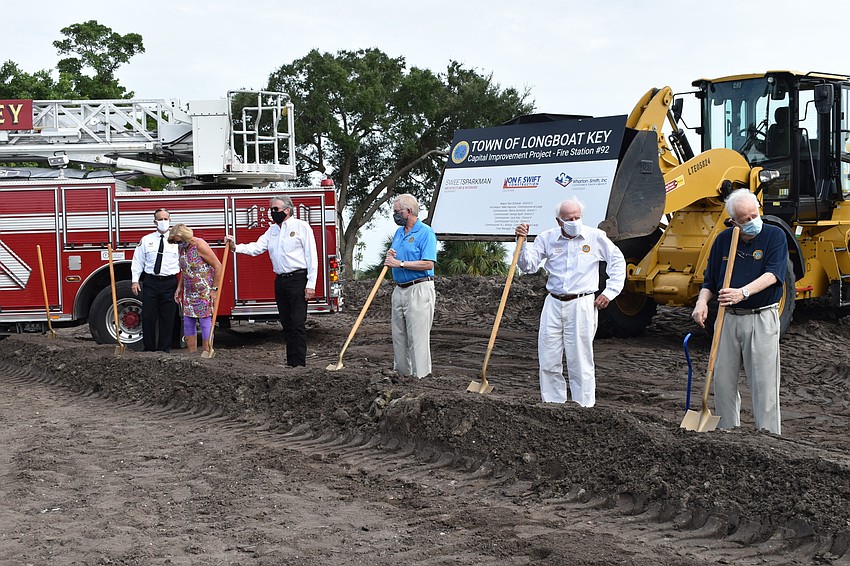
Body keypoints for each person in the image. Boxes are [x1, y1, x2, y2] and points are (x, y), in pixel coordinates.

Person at [692, 188, 787, 434]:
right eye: (745, 220)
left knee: (764, 385)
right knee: (722, 381)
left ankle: (769, 438)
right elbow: (709, 281)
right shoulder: (723, 240)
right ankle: (727, 434)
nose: (752, 222)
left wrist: (742, 292)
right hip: (727, 319)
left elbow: (774, 274)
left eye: (754, 215)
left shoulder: (774, 236)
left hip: (761, 317)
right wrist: (701, 303)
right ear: (733, 221)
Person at [515, 198, 626, 406]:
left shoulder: (595, 237)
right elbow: (528, 266)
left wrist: (610, 292)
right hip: (553, 302)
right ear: (559, 221)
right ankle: (552, 404)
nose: (574, 221)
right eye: (569, 219)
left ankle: (583, 406)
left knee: (580, 359)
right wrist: (521, 243)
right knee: (548, 356)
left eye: (577, 217)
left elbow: (617, 261)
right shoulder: (547, 238)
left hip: (582, 303)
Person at [225, 196, 317, 367]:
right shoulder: (272, 230)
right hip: (280, 280)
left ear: (287, 210)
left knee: (297, 323)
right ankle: (292, 362)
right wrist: (235, 247)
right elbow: (256, 247)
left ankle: (300, 363)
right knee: (286, 323)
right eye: (271, 209)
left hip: (298, 279)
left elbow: (312, 256)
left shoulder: (301, 227)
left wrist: (311, 284)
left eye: (275, 209)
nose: (272, 212)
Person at [384, 194, 437, 378]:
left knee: (417, 338)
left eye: (397, 212)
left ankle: (421, 378)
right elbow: (396, 256)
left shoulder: (426, 232)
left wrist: (400, 264)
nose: (395, 215)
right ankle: (402, 376)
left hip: (419, 289)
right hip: (399, 289)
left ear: (409, 211)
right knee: (399, 336)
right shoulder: (399, 233)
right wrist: (392, 256)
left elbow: (428, 264)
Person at [168, 224, 222, 354]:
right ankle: (192, 354)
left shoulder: (199, 245)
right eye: (176, 242)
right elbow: (185, 269)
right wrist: (179, 287)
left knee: (205, 320)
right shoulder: (182, 248)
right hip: (189, 290)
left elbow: (218, 266)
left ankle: (207, 351)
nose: (178, 244)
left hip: (204, 290)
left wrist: (214, 289)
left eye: (179, 241)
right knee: (188, 320)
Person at [131, 208, 180, 352]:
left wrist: (181, 286)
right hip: (151, 282)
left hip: (170, 283)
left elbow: (183, 263)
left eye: (166, 219)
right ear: (155, 222)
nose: (163, 222)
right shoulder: (146, 240)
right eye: (160, 219)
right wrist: (135, 280)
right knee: (147, 317)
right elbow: (138, 261)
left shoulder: (176, 241)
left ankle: (165, 349)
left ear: (170, 221)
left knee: (168, 318)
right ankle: (149, 349)